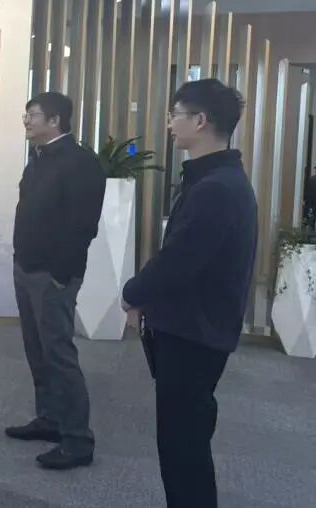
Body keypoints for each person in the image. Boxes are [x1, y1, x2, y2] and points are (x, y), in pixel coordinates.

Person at [122, 79, 257, 508]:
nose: (169, 124)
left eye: (175, 115)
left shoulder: (216, 188)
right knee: (184, 440)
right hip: (194, 327)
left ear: (200, 121)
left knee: (184, 448)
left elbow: (179, 261)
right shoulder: (215, 178)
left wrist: (132, 292)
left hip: (194, 333)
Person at [7, 92, 105, 470]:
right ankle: (49, 419)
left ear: (55, 121)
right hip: (27, 268)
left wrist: (61, 276)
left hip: (53, 276)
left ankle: (78, 439)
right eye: (26, 114)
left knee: (59, 355)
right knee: (37, 351)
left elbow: (82, 227)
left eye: (32, 115)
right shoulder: (39, 157)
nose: (26, 121)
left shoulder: (81, 163)